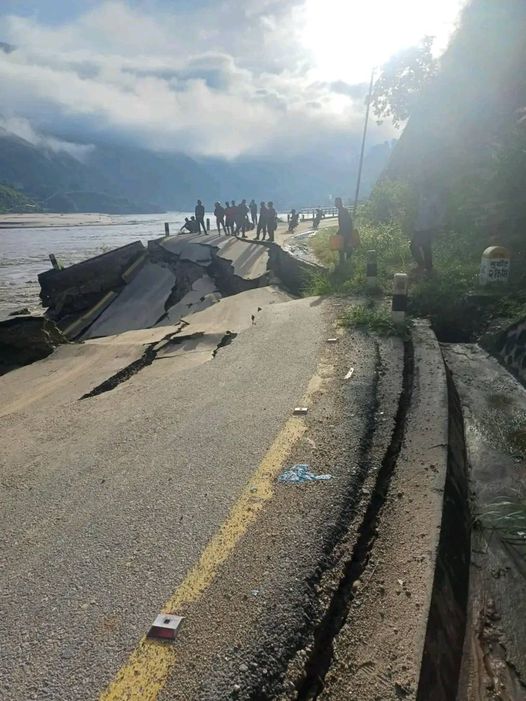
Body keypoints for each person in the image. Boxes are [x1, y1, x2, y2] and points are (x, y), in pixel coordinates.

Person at [411, 190, 443, 273]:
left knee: (423, 247)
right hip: (419, 227)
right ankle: (425, 266)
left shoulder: (432, 198)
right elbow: (417, 212)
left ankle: (426, 267)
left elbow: (437, 213)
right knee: (418, 247)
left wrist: (435, 223)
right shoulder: (420, 197)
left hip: (426, 228)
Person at [335, 197, 353, 267]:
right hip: (345, 232)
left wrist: (344, 233)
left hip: (345, 233)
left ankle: (344, 264)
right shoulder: (342, 210)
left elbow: (346, 223)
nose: (335, 204)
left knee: (344, 248)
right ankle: (344, 263)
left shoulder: (343, 211)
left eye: (336, 202)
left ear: (339, 203)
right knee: (342, 248)